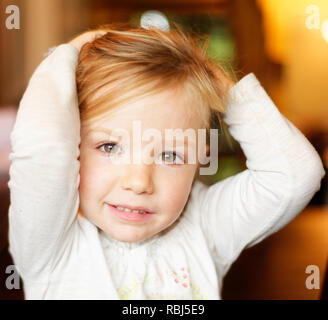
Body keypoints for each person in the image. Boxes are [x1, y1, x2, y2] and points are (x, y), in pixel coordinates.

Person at [7, 24, 325, 299]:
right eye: (109, 146)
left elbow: (295, 174)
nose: (139, 182)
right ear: (73, 146)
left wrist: (218, 87)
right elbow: (43, 145)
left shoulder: (205, 227)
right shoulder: (51, 243)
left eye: (170, 155)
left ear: (201, 158)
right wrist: (74, 49)